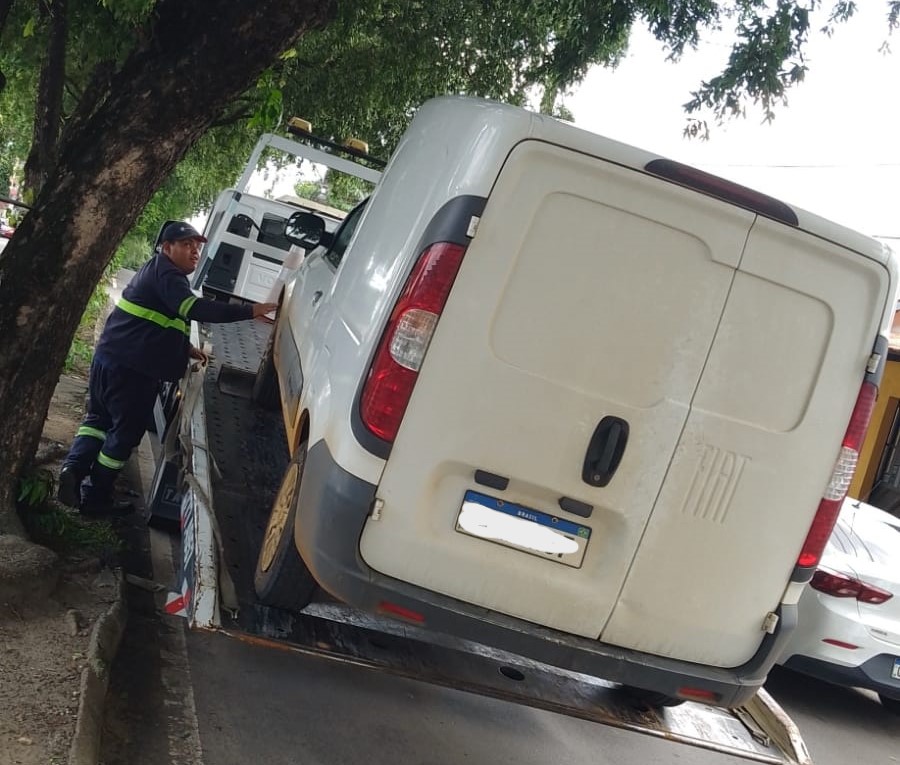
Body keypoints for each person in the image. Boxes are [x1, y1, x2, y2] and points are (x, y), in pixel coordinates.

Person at [58, 221, 277, 516]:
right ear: (167, 247)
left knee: (98, 420)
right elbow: (194, 309)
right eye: (187, 245)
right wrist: (250, 311)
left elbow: (157, 318)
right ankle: (95, 498)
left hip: (109, 359)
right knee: (124, 434)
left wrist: (184, 348)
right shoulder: (169, 274)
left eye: (197, 246)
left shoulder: (154, 271)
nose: (195, 252)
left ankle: (73, 468)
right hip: (134, 371)